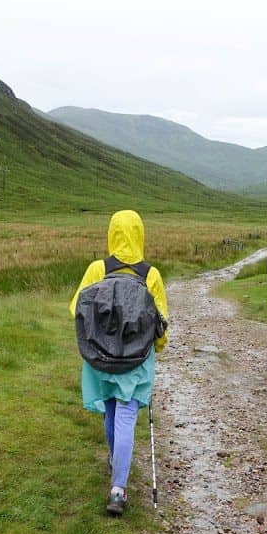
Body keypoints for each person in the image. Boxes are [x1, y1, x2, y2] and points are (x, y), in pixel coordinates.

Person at [70, 210, 168, 515]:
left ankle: (116, 462)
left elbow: (76, 309)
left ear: (112, 233)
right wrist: (158, 347)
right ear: (140, 233)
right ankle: (118, 489)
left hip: (100, 359)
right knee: (125, 416)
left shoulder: (97, 269)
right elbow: (161, 323)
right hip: (135, 361)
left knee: (110, 412)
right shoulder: (150, 274)